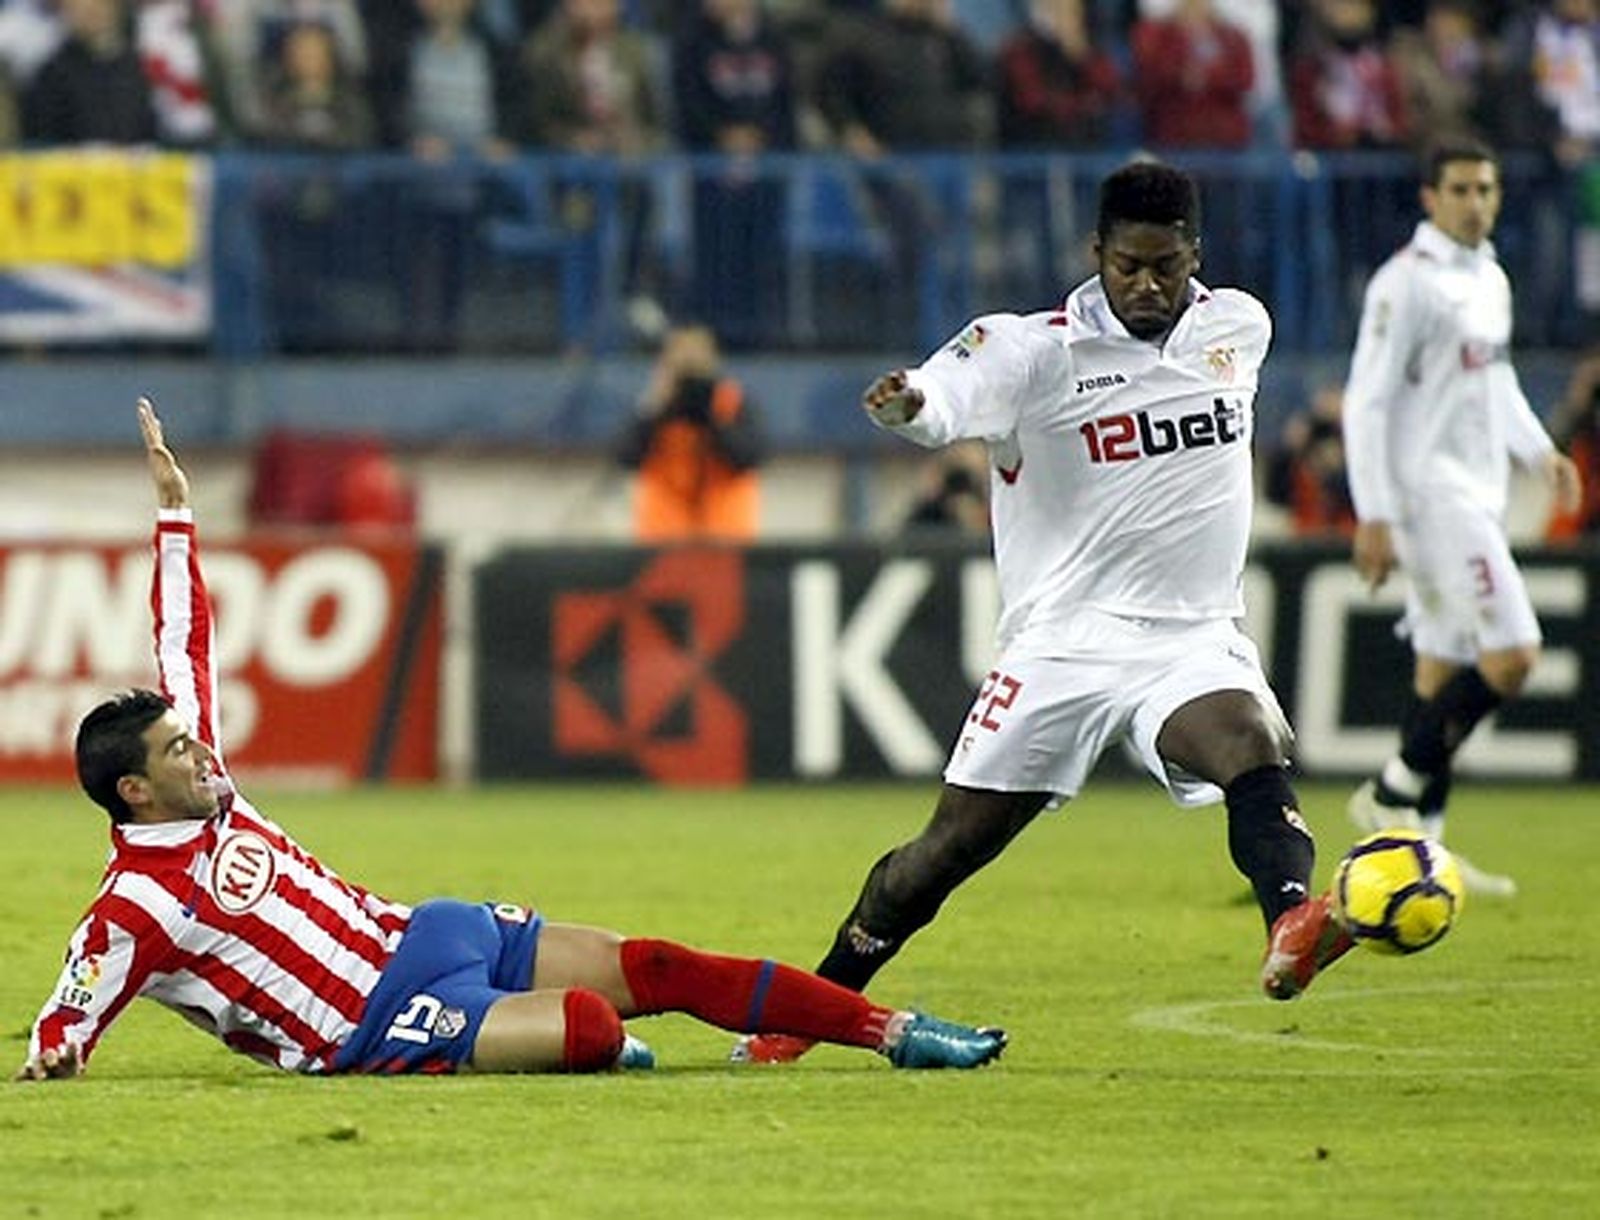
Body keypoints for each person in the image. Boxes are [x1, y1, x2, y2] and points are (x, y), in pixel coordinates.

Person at [15, 398, 1006, 1083]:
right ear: (134, 793)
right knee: (589, 1023)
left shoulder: (209, 780)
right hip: (375, 1025)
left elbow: (182, 638)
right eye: (176, 753)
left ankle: (893, 1030)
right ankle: (600, 1051)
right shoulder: (134, 906)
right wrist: (57, 1052)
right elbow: (71, 1008)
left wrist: (177, 513)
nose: (198, 753)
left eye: (190, 741)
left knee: (658, 962)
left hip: (423, 932)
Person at [734, 161, 1351, 1068]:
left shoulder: (1238, 328)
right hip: (1062, 644)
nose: (1148, 285)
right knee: (942, 855)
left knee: (1249, 742)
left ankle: (1293, 920)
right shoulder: (1033, 351)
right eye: (1129, 265)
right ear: (1095, 252)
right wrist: (913, 405)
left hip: (1189, 636)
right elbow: (946, 394)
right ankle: (809, 1009)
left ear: (1195, 259)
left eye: (1167, 267)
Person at [1341, 141, 1583, 897]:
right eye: (1460, 189)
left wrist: (1540, 450)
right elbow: (1366, 400)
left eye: (1487, 187)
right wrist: (1374, 511)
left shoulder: (1489, 279)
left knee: (1442, 668)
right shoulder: (1404, 285)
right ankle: (1391, 786)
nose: (1476, 201)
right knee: (1513, 654)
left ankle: (1423, 853)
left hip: (1476, 491)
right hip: (1429, 497)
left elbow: (1497, 380)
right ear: (1429, 197)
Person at [616, 324, 764, 542]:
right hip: (663, 541)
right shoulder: (656, 407)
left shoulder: (733, 404)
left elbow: (747, 457)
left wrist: (712, 417)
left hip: (725, 539)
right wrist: (655, 408)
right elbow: (626, 456)